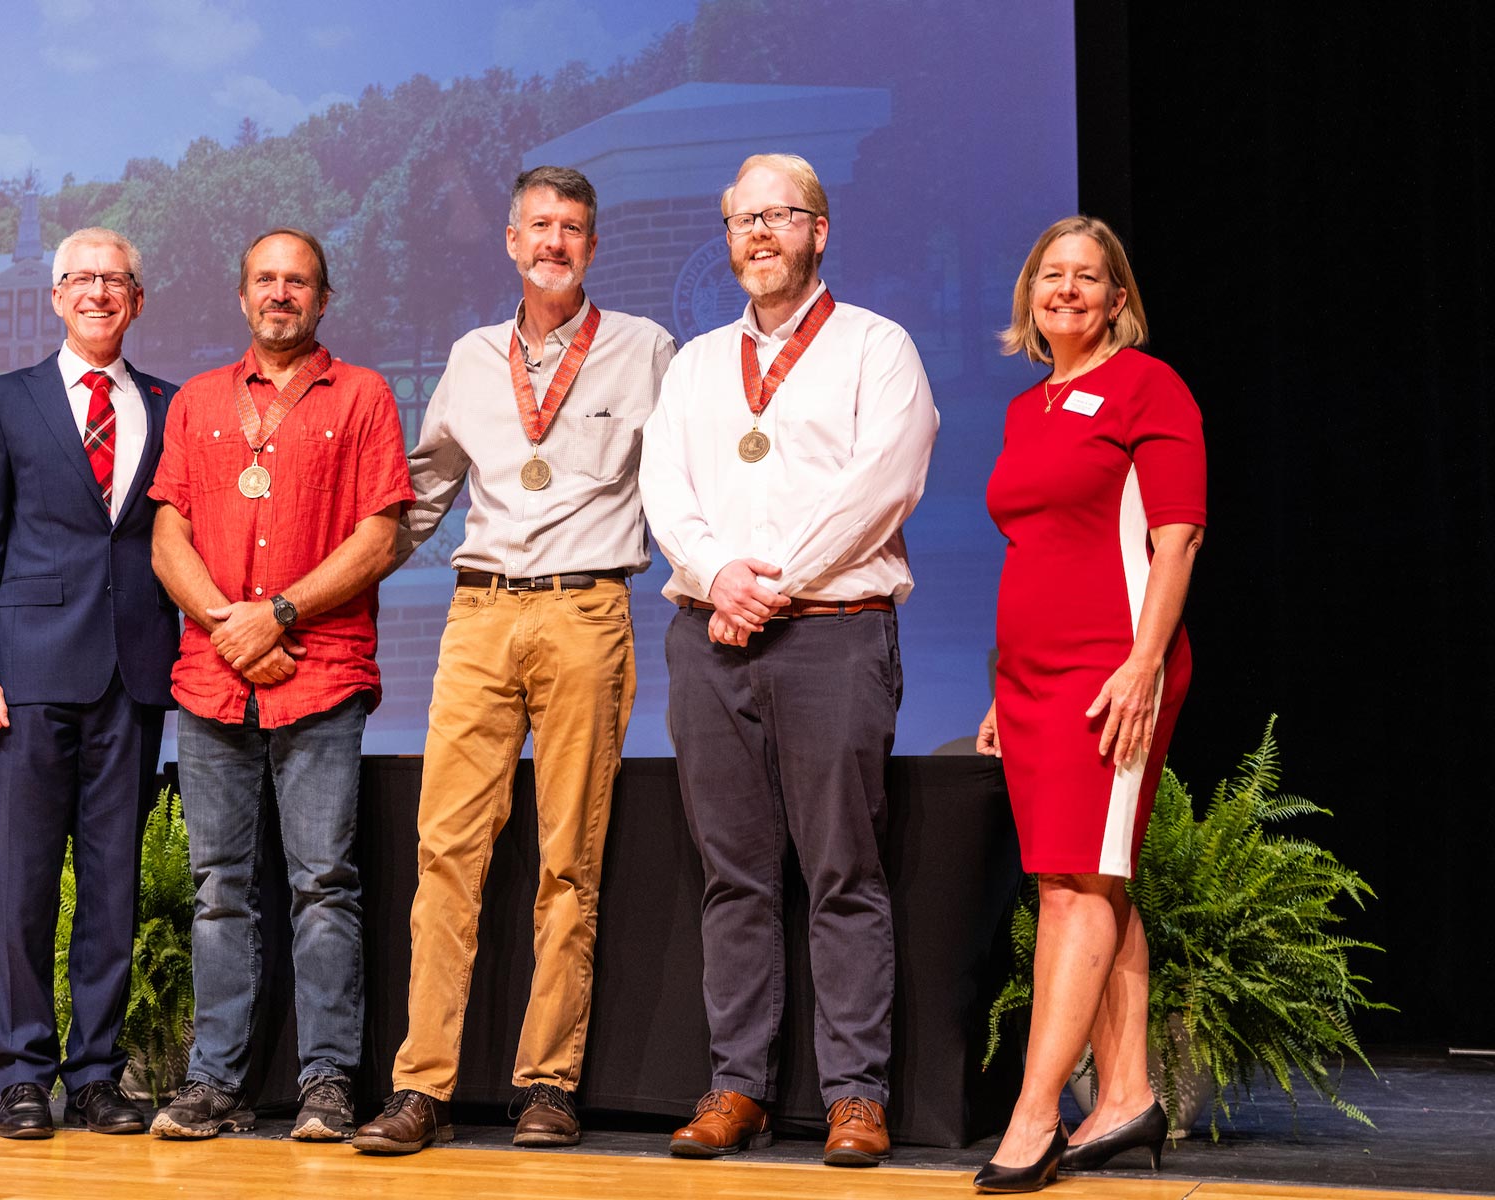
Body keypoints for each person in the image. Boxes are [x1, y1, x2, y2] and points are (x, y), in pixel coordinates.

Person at [351, 166, 675, 1156]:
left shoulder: (645, 350)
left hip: (587, 611)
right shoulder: (471, 355)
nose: (556, 242)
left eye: (573, 227)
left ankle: (549, 1082)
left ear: (592, 245)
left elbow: (688, 476)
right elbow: (421, 493)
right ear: (509, 241)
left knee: (567, 863)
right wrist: (324, 582)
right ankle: (422, 1088)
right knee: (446, 854)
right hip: (481, 615)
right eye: (540, 225)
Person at [639, 153, 937, 1167]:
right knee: (735, 875)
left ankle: (855, 1094)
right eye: (742, 218)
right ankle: (738, 1088)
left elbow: (881, 486)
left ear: (820, 230)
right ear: (726, 239)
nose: (760, 233)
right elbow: (665, 491)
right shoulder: (693, 363)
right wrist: (720, 574)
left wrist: (771, 584)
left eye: (781, 215)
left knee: (843, 869)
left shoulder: (876, 348)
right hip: (710, 638)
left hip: (832, 633)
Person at [146, 228, 414, 1142]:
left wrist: (282, 614)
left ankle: (328, 1082)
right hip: (214, 677)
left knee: (323, 885)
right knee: (221, 888)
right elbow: (167, 537)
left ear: (323, 299)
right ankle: (214, 1083)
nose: (281, 294)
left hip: (321, 674)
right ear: (242, 295)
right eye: (265, 279)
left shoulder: (366, 395)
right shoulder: (197, 401)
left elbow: (381, 538)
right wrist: (232, 623)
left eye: (298, 282)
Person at [973, 215, 1205, 1193]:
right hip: (1029, 682)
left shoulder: (1148, 387)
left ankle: (1035, 1119)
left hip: (1109, 674)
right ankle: (1128, 1097)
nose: (1065, 290)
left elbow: (1178, 535)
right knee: (1087, 883)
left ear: (1118, 298)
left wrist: (1142, 665)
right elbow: (1035, 549)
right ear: (1032, 295)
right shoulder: (1031, 408)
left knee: (1078, 886)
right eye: (1049, 275)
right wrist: (997, 686)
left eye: (1087, 277)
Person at [0, 227, 180, 1139]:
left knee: (113, 887)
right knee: (27, 883)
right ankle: (22, 1076)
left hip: (135, 669)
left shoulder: (169, 404)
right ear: (54, 297)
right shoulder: (2, 401)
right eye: (80, 279)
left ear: (137, 298)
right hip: (32, 671)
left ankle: (96, 1077)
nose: (96, 293)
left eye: (114, 279)